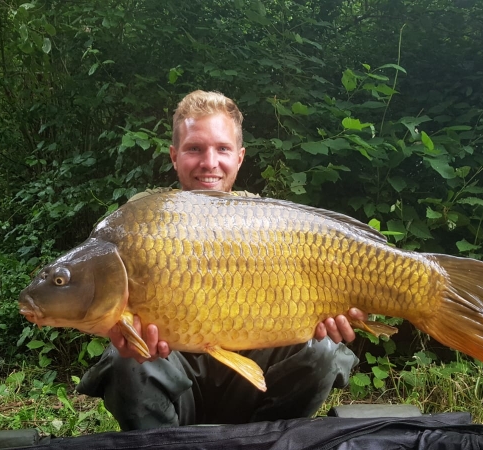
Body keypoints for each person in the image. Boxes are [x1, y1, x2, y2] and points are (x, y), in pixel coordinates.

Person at [76, 90, 364, 431]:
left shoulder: (266, 218)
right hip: (174, 368)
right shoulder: (144, 217)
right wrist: (125, 337)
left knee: (323, 349)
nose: (209, 162)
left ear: (240, 158)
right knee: (126, 361)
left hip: (251, 372)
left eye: (222, 149)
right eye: (194, 148)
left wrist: (333, 313)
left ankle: (263, 441)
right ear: (174, 155)